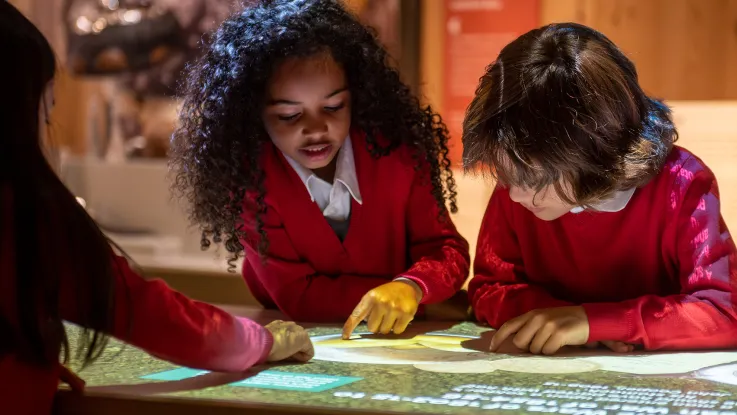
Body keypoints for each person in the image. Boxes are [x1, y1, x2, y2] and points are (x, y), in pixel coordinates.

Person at [0, 3, 313, 414]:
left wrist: (28, 363)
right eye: (47, 114)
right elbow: (159, 318)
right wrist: (264, 341)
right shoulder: (32, 220)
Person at [169, 0, 470, 339]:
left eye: (333, 106)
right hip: (311, 340)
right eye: (289, 115)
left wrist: (411, 287)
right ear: (252, 115)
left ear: (356, 96)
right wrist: (420, 301)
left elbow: (446, 250)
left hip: (399, 337)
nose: (315, 129)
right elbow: (298, 296)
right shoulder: (247, 181)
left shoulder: (397, 152)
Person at [463, 22, 737, 355]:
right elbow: (490, 287)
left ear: (594, 152)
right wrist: (559, 320)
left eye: (533, 179)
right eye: (505, 175)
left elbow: (723, 311)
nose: (515, 195)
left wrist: (594, 321)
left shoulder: (682, 183)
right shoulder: (517, 185)